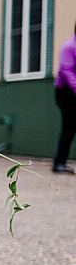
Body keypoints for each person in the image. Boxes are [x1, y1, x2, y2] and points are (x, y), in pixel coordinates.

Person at [53, 22, 76, 174]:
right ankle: (59, 163)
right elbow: (68, 72)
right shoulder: (69, 46)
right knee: (69, 127)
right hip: (66, 92)